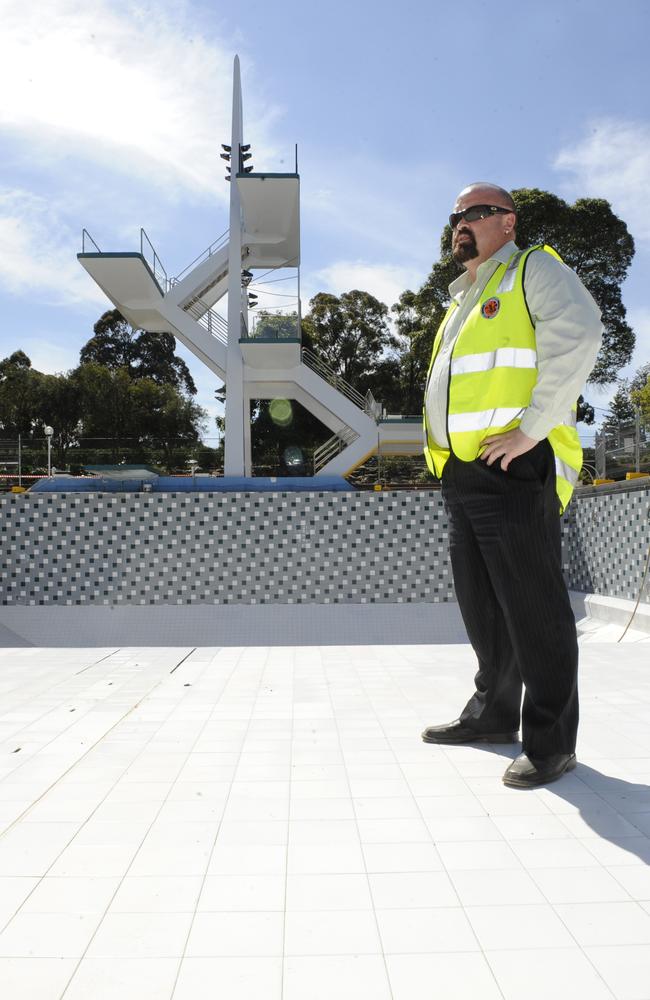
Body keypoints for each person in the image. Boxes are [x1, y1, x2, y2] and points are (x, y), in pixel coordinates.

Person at [421, 182, 603, 788]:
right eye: (456, 217)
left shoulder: (532, 269)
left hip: (514, 466)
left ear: (506, 221)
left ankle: (551, 742)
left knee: (534, 607)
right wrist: (444, 461)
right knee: (484, 608)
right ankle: (493, 715)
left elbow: (580, 335)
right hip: (464, 472)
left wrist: (530, 431)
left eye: (475, 213)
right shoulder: (463, 297)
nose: (461, 224)